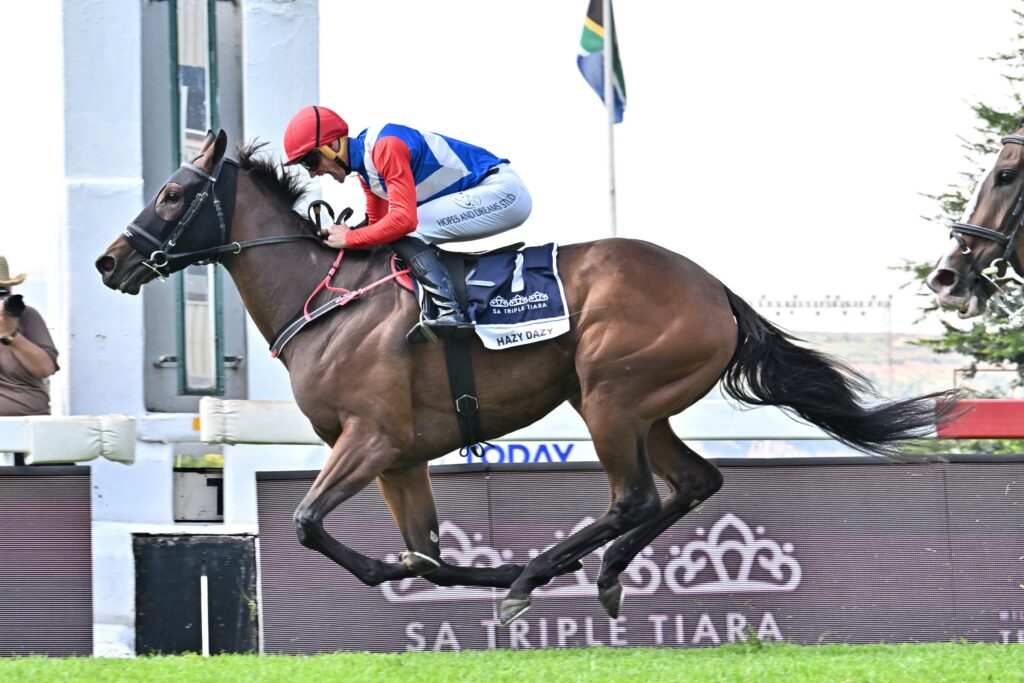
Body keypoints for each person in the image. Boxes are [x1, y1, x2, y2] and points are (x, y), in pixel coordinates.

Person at [282, 105, 533, 342]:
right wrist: (335, 238)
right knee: (396, 232)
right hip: (488, 193)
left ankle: (450, 313)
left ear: (333, 145)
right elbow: (376, 226)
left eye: (309, 162)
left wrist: (349, 238)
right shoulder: (367, 174)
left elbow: (403, 221)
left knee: (408, 228)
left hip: (503, 193)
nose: (312, 173)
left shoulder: (385, 147)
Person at [0, 256, 59, 418]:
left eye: (3, 291)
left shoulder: (26, 316)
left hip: (26, 421)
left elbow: (44, 369)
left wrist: (10, 334)